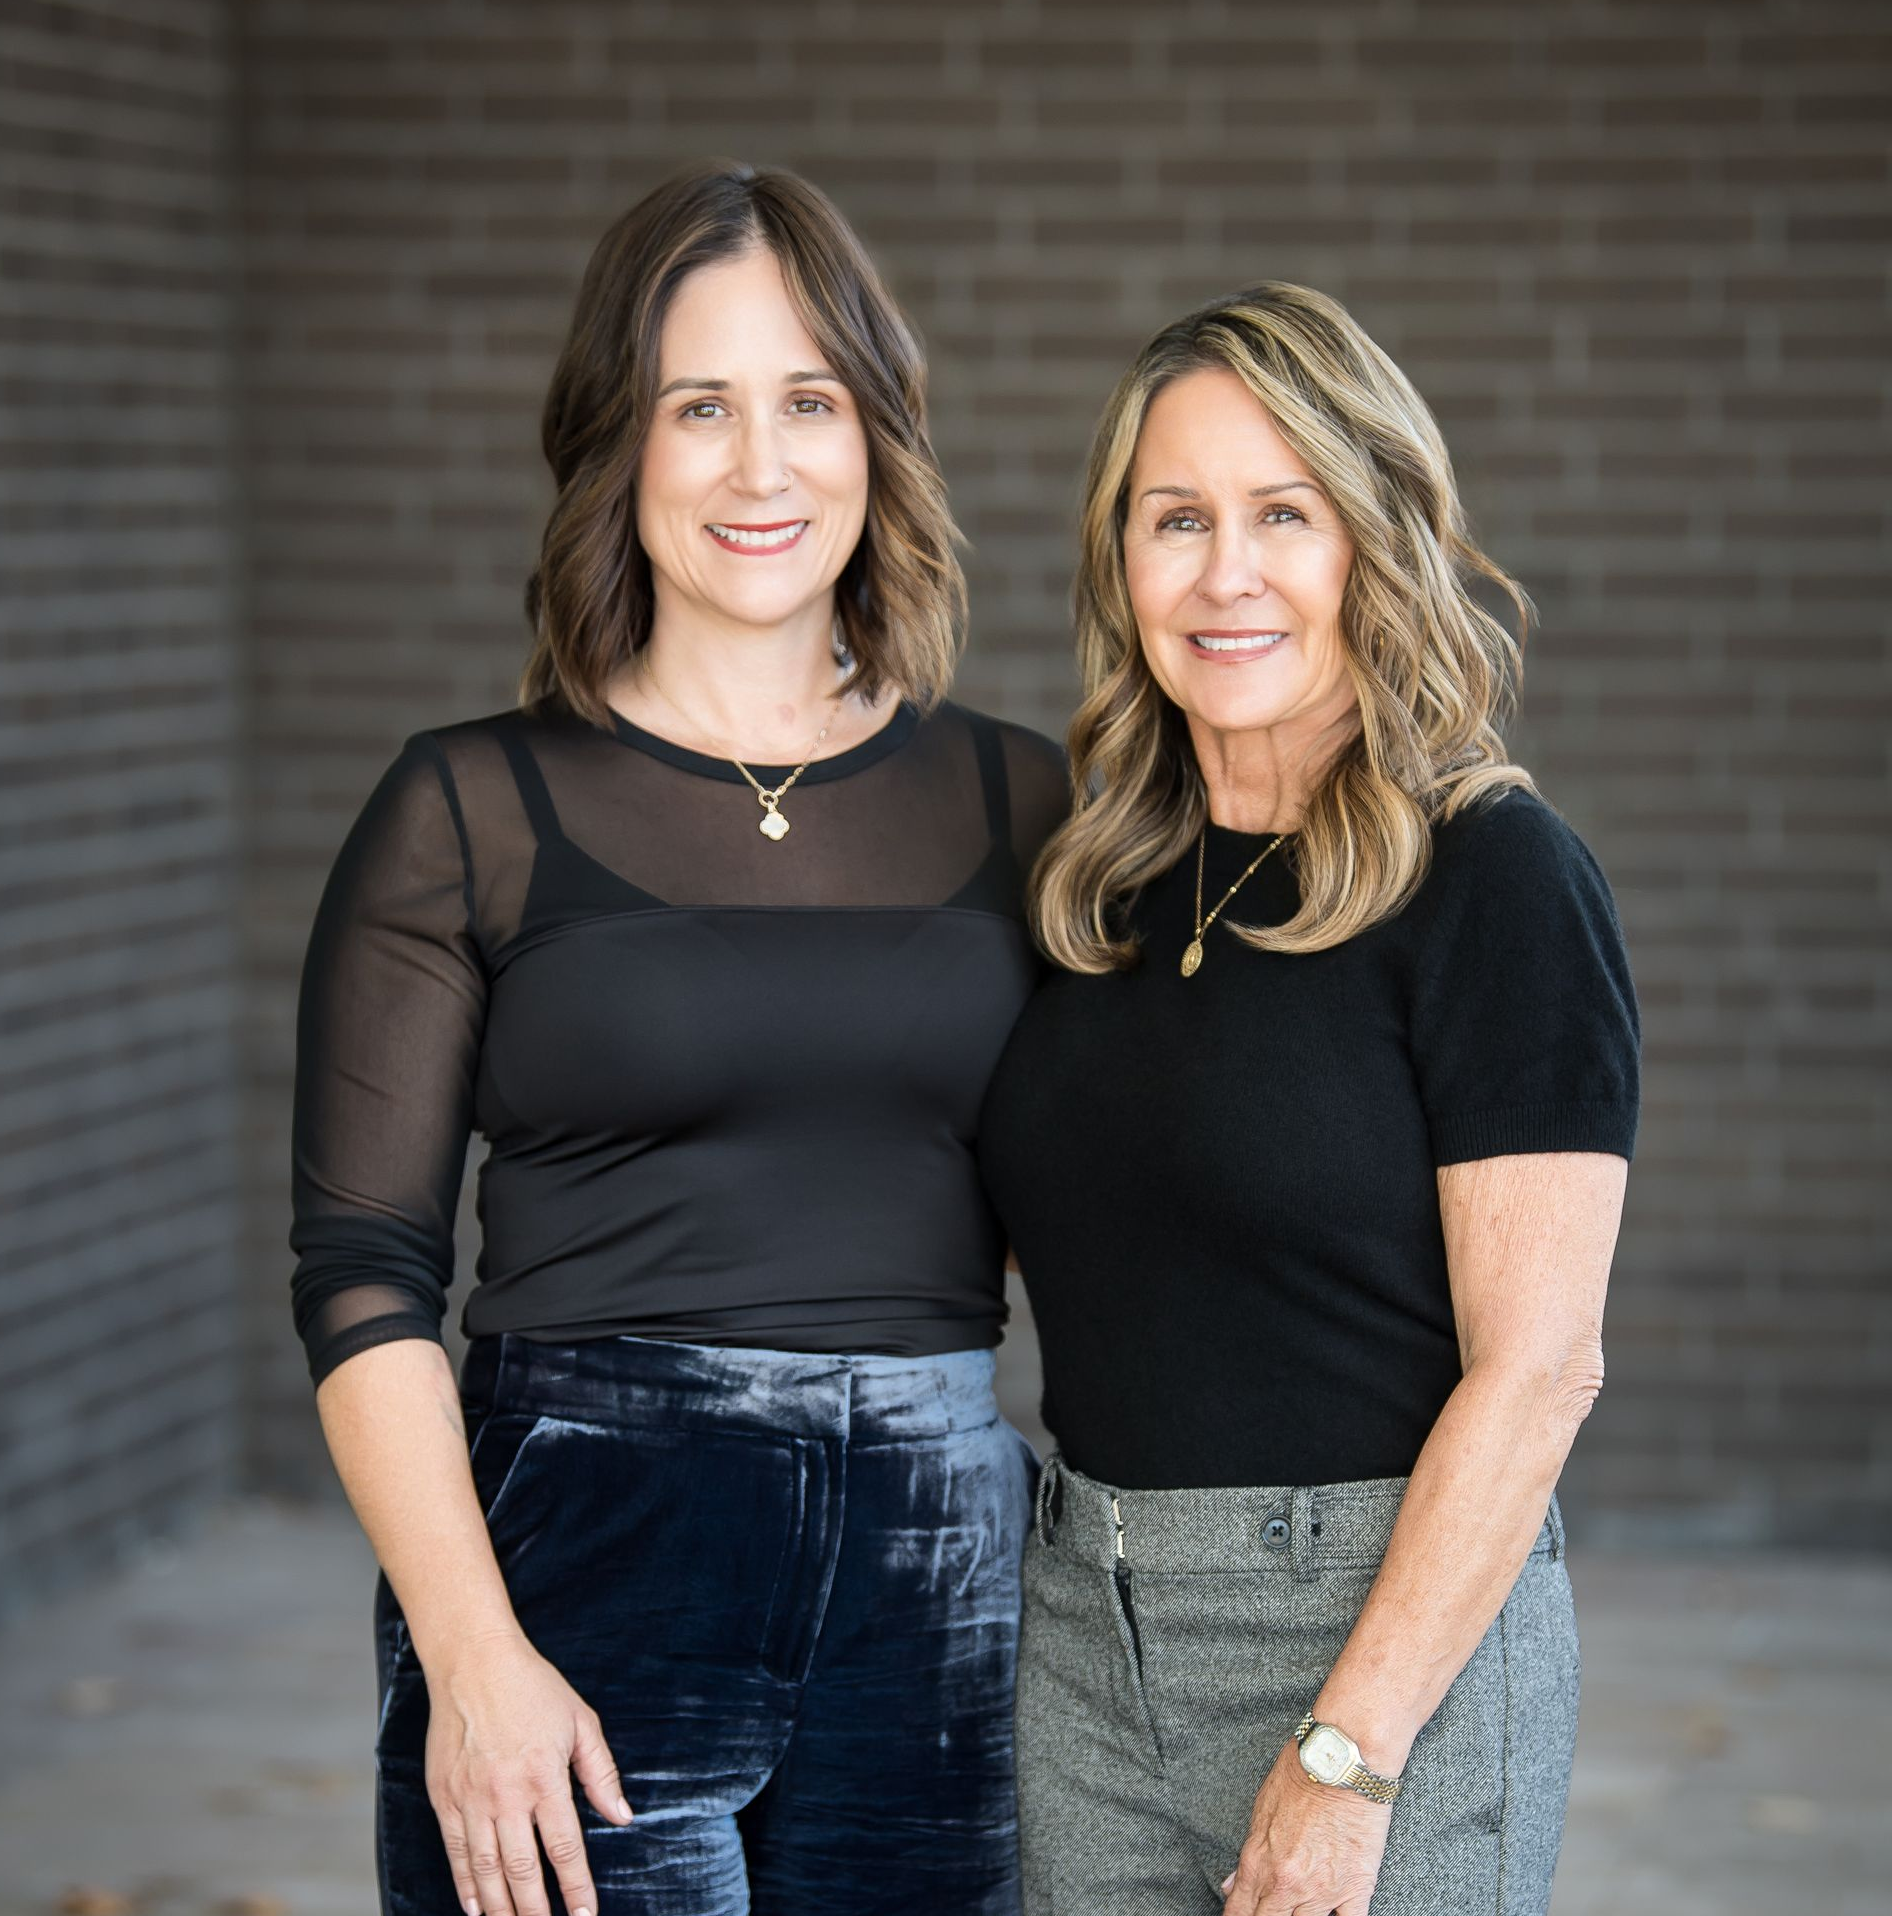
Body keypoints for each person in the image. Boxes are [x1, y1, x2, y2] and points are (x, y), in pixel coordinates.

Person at [288, 161, 1068, 1916]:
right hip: (581, 1566)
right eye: (695, 408)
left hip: (942, 1592)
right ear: (615, 450)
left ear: (878, 437)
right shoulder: (468, 807)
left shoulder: (1032, 803)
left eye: (810, 401)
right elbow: (358, 1273)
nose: (761, 465)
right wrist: (470, 1660)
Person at [980, 283, 1640, 1916]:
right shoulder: (1092, 889)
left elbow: (1543, 1368)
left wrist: (1349, 1751)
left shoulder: (1496, 877)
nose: (1225, 575)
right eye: (1175, 518)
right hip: (1084, 1634)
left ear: (1374, 538)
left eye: (1285, 514)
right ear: (1116, 560)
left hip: (1373, 1645)